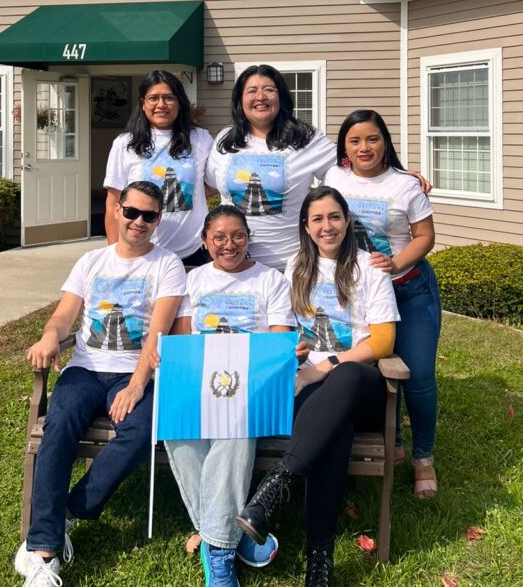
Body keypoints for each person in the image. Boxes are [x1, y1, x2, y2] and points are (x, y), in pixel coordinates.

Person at [15, 181, 186, 587]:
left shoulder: (167, 264)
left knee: (141, 429)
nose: (138, 222)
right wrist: (51, 335)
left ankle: (70, 510)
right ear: (117, 211)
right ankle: (44, 553)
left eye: (149, 215)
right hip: (85, 367)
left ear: (158, 221)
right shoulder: (91, 260)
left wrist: (135, 384)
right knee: (60, 425)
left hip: (133, 370)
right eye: (131, 211)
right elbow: (65, 314)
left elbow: (159, 334)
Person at [236, 187, 399, 587]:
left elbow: (383, 342)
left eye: (334, 217)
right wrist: (296, 351)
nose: (326, 226)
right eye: (316, 219)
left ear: (347, 220)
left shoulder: (369, 268)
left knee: (341, 381)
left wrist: (320, 366)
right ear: (305, 227)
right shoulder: (296, 267)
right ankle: (319, 567)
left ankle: (277, 484)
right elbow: (287, 330)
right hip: (316, 394)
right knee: (333, 433)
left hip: (362, 383)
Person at [165, 205, 299, 587]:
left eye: (238, 235)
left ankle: (217, 555)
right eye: (219, 237)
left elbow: (277, 342)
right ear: (205, 242)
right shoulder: (192, 280)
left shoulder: (271, 281)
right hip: (199, 384)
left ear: (248, 237)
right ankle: (231, 538)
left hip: (248, 386)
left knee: (236, 431)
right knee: (179, 431)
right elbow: (184, 343)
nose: (229, 244)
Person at [324, 109, 440, 497]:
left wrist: (395, 264)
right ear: (344, 147)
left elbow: (425, 237)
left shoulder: (405, 186)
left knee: (419, 375)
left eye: (372, 139)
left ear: (385, 142)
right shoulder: (334, 177)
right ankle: (396, 443)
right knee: (379, 372)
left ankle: (423, 456)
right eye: (355, 140)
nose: (364, 147)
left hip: (409, 289)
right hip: (360, 294)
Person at [206, 65, 336, 269]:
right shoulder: (226, 139)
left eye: (269, 89)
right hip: (234, 264)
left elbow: (350, 170)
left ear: (281, 97)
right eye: (251, 91)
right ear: (240, 100)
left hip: (292, 264)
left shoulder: (307, 138)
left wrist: (394, 173)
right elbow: (209, 187)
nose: (260, 97)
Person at [104, 70, 214, 265]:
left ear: (180, 103)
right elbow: (113, 201)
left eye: (169, 98)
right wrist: (114, 254)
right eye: (153, 98)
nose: (161, 105)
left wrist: (191, 192)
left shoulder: (200, 138)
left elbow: (215, 184)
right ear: (143, 103)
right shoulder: (124, 144)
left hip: (194, 251)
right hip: (140, 252)